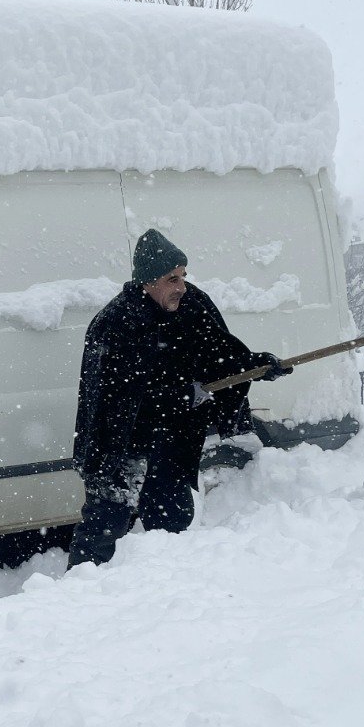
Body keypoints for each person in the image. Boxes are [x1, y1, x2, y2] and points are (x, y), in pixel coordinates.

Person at [68, 229, 292, 568]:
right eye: (172, 279)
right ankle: (75, 599)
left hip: (171, 445)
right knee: (102, 531)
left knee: (174, 530)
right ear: (148, 280)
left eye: (183, 276)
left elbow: (217, 354)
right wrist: (179, 394)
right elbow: (116, 400)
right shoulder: (115, 323)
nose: (182, 286)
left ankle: (169, 601)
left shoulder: (190, 305)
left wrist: (256, 364)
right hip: (121, 448)